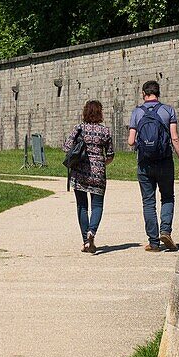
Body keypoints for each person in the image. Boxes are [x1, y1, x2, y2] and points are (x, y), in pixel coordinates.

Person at [128, 80, 179, 252]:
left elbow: (131, 141)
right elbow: (174, 138)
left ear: (144, 94)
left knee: (148, 202)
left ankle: (153, 243)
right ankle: (166, 231)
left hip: (145, 163)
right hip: (164, 161)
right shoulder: (168, 110)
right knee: (167, 197)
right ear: (158, 93)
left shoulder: (137, 112)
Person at [63, 100, 115, 254]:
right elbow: (111, 154)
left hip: (79, 172)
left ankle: (86, 241)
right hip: (98, 173)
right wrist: (101, 162)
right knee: (97, 206)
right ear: (100, 113)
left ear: (85, 112)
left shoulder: (79, 128)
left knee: (82, 206)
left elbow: (66, 148)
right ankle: (92, 231)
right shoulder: (105, 131)